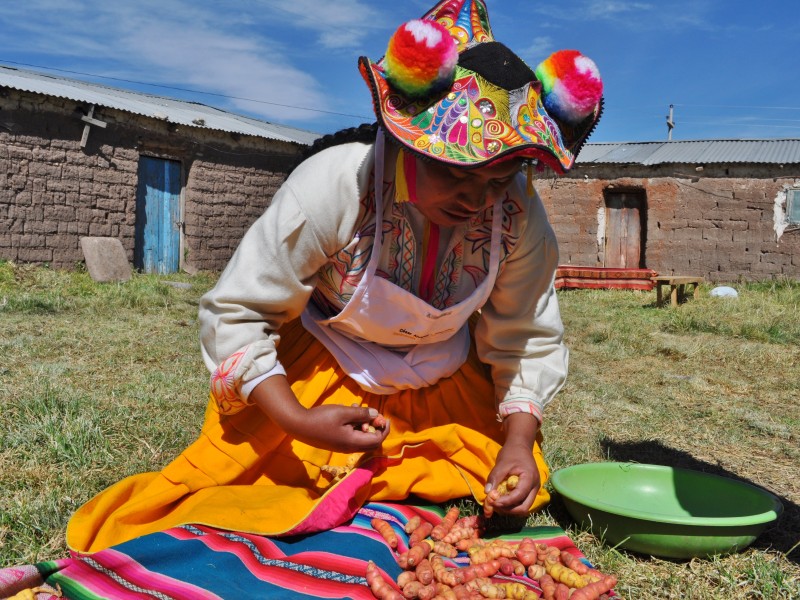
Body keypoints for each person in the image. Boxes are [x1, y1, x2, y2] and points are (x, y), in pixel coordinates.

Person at [67, 0, 603, 553]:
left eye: (498, 179)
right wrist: (297, 420)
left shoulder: (516, 214)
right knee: (237, 495)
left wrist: (518, 440)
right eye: (455, 172)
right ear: (403, 143)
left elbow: (527, 336)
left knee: (504, 482)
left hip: (449, 391)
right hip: (319, 381)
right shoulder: (335, 186)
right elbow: (239, 314)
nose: (477, 200)